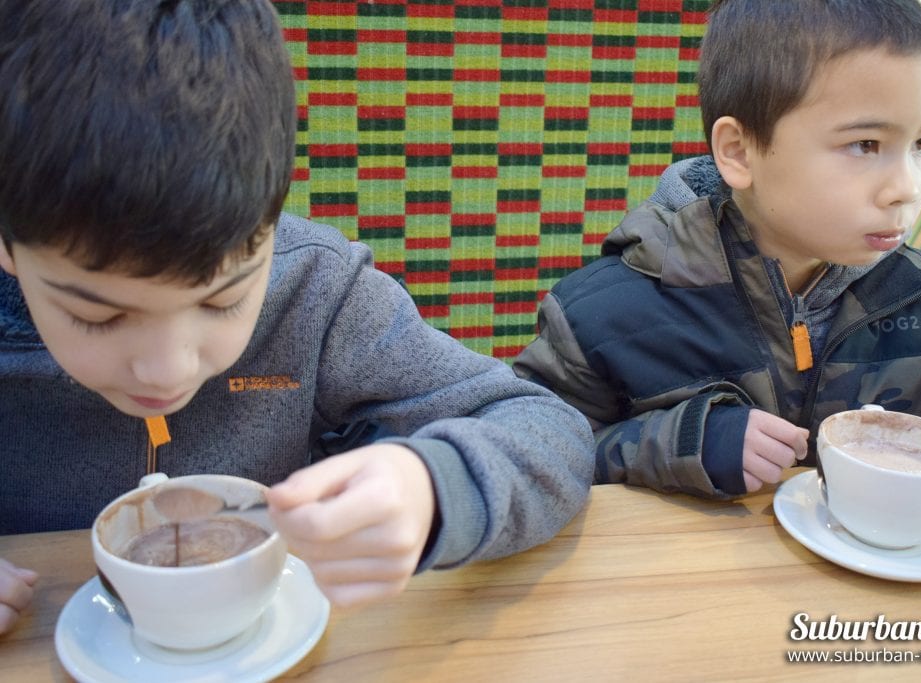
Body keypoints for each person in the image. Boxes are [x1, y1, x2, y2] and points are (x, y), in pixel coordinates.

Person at [0, 0, 594, 636]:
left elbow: (548, 430)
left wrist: (433, 485)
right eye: (99, 314)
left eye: (223, 300)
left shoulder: (315, 289)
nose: (168, 368)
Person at [513, 0, 921, 501]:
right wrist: (682, 443)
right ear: (738, 151)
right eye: (864, 145)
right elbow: (527, 450)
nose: (909, 188)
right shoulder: (605, 315)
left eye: (920, 144)